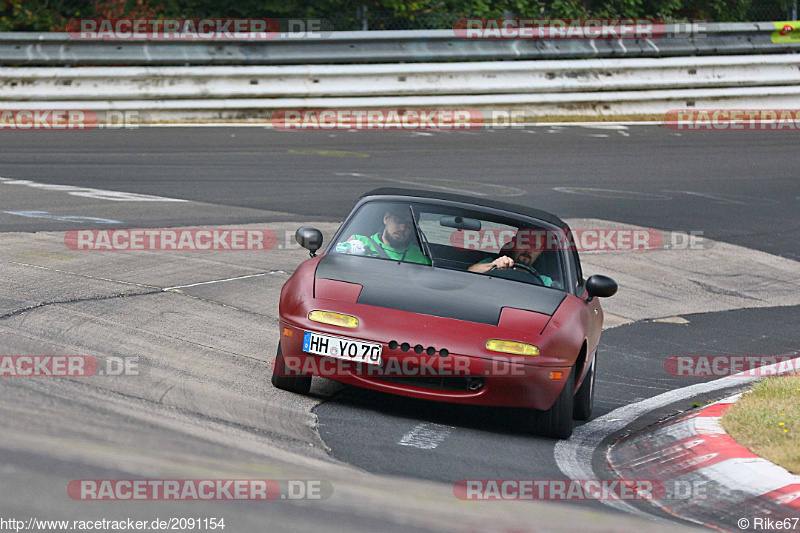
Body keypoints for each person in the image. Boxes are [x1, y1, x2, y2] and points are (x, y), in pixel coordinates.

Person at [335, 205, 431, 265]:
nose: (402, 228)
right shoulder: (359, 241)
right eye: (399, 220)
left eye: (409, 225)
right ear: (386, 218)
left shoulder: (421, 259)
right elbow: (337, 260)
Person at [468, 238, 553, 287]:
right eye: (524, 243)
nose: (528, 250)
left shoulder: (544, 281)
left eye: (535, 247)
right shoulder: (491, 262)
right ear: (514, 243)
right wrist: (493, 265)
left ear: (540, 251)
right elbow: (469, 273)